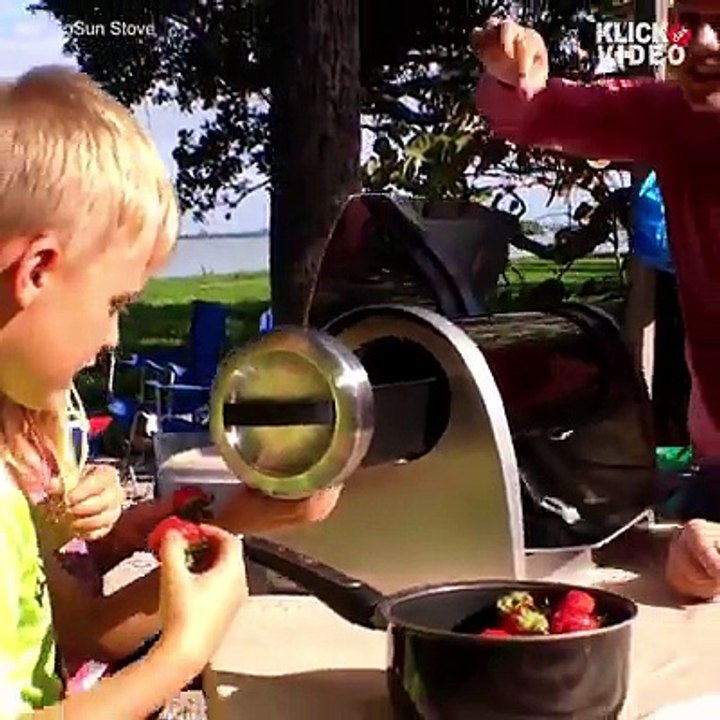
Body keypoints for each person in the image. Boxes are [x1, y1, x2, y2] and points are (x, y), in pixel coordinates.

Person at [0, 65, 340, 717]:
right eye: (115, 302)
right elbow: (88, 632)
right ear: (38, 270)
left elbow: (44, 617)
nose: (113, 337)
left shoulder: (24, 429)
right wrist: (181, 655)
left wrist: (118, 539)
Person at [472, 0, 720, 601]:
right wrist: (511, 73)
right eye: (689, 16)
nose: (704, 40)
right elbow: (543, 112)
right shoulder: (674, 118)